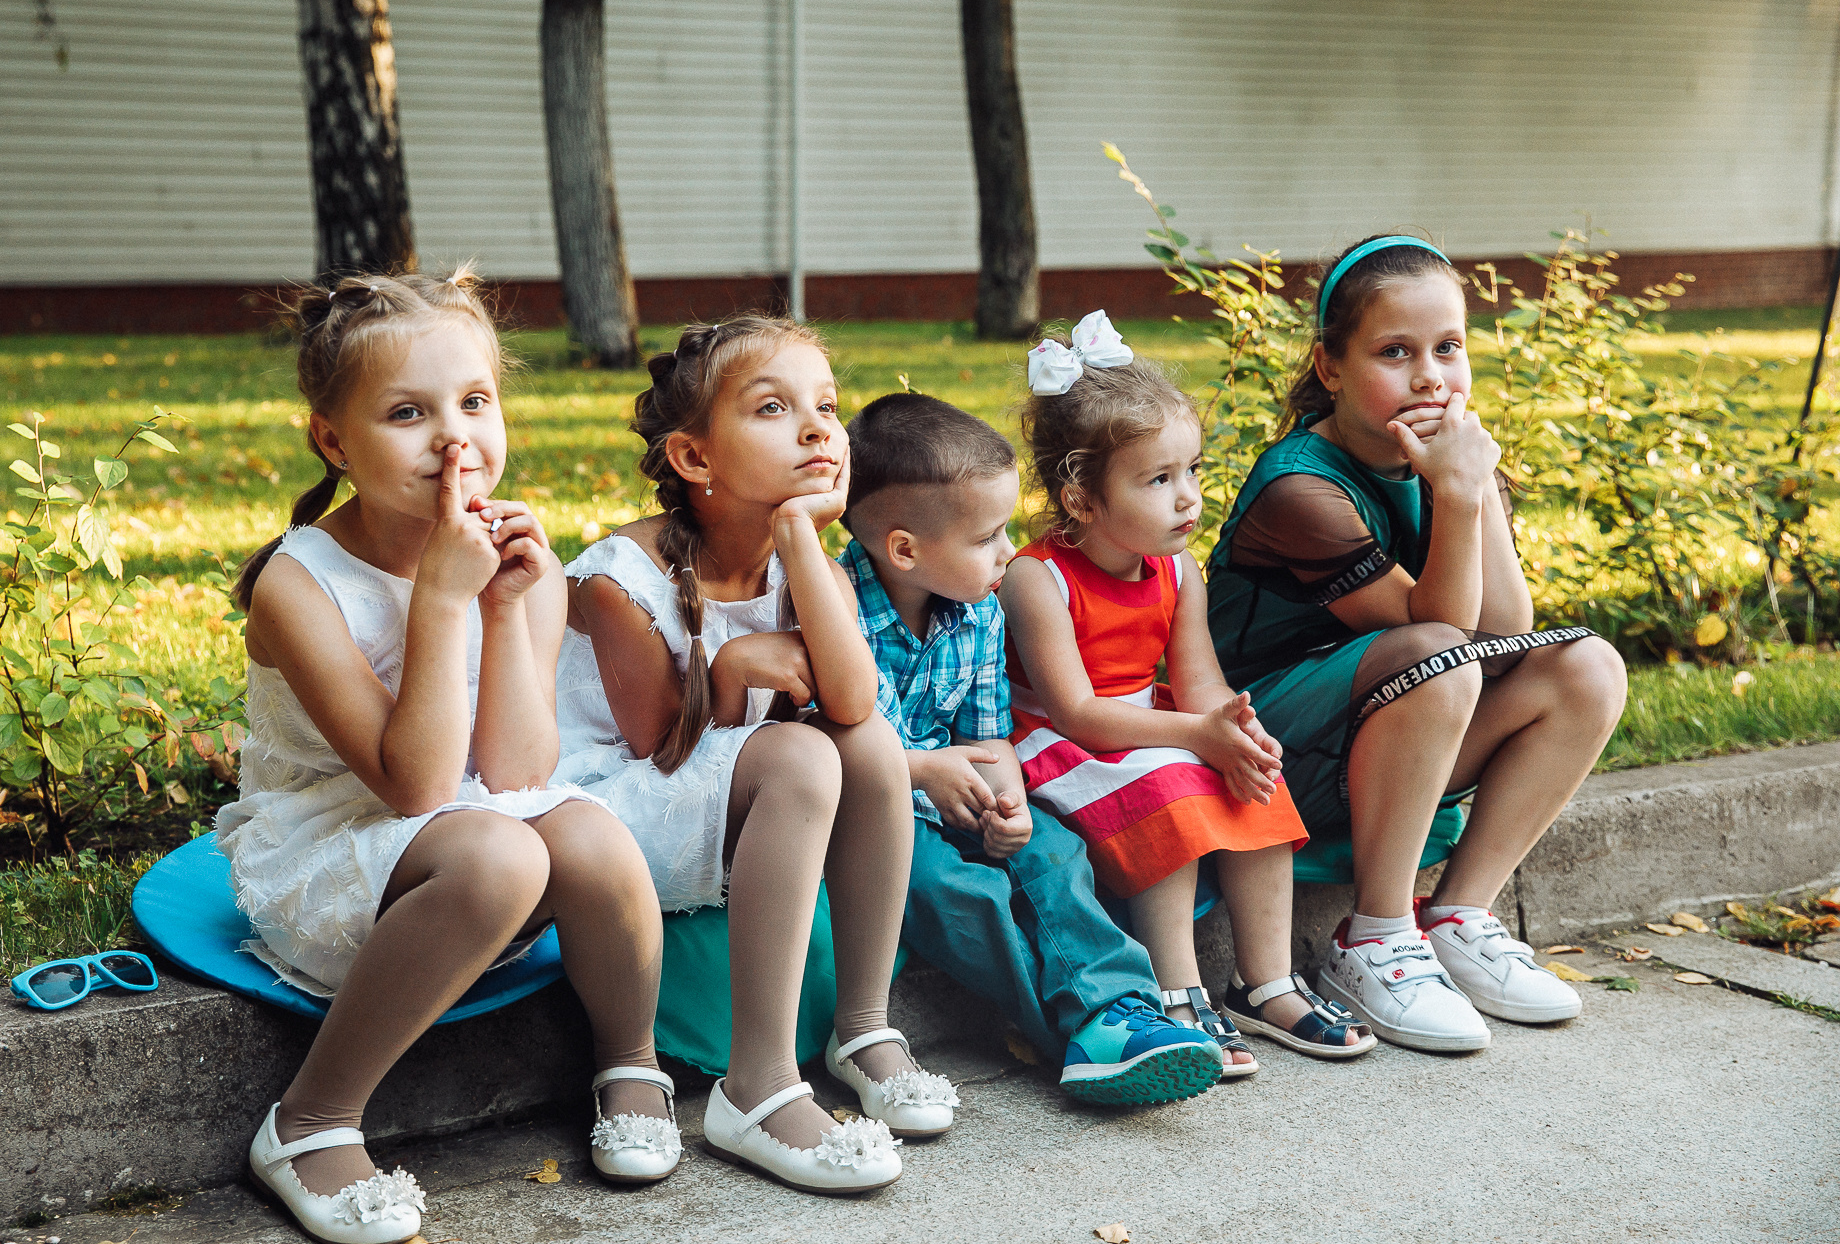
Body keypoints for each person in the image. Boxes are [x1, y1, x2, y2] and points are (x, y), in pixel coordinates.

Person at [217, 269, 674, 1244]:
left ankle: (629, 1060)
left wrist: (508, 608)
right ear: (333, 440)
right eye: (406, 412)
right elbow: (413, 785)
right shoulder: (297, 585)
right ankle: (308, 1122)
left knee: (589, 832)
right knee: (504, 855)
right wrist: (437, 601)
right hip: (334, 843)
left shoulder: (516, 563)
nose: (453, 437)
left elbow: (512, 772)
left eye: (473, 401)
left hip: (462, 831)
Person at [555, 316, 950, 1196]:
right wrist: (731, 673)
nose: (817, 428)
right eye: (774, 408)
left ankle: (864, 1024)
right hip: (607, 814)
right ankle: (758, 1083)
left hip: (737, 799)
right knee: (809, 761)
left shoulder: (807, 561)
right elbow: (656, 752)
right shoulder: (620, 578)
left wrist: (805, 539)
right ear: (695, 460)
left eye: (827, 407)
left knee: (873, 749)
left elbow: (853, 704)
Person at [1206, 234, 1629, 1052]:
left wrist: (1467, 487)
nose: (1431, 376)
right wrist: (1461, 494)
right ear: (1329, 368)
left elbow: (1507, 632)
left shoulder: (1444, 456)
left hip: (1383, 736)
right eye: (1395, 352)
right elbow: (1437, 629)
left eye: (1448, 347)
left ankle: (1460, 913)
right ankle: (1374, 934)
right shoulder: (1301, 486)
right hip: (1259, 753)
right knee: (1437, 654)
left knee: (1587, 668)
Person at [999, 312, 1371, 1077]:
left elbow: (1200, 687)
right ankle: (1177, 992)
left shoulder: (1177, 571)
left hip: (1145, 721)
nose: (1189, 497)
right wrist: (1196, 737)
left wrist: (1235, 732)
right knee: (1169, 783)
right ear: (1080, 498)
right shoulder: (1037, 578)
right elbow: (1075, 711)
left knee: (1251, 781)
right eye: (1159, 479)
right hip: (1063, 741)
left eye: (1193, 470)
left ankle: (1262, 984)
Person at [838, 390, 1230, 1105]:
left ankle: (1122, 1006)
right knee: (961, 892)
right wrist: (924, 770)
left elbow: (989, 736)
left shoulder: (979, 610)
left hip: (956, 792)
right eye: (988, 535)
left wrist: (1010, 796)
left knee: (1052, 851)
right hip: (874, 816)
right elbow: (832, 741)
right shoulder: (840, 608)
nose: (1010, 550)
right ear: (905, 548)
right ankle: (1074, 1032)